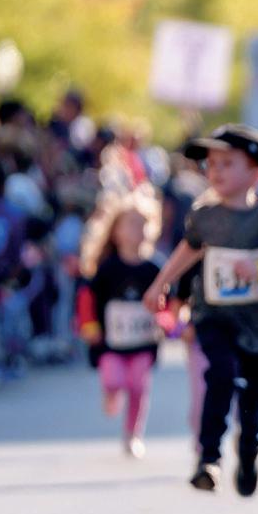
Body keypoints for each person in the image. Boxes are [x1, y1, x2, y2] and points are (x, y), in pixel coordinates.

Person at [144, 124, 258, 494]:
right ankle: (209, 458)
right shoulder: (203, 215)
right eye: (211, 164)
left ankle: (248, 453)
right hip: (214, 316)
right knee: (220, 375)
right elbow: (190, 249)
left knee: (252, 398)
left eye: (227, 163)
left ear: (256, 173)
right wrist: (161, 283)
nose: (215, 171)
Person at [77, 191, 166, 457]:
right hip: (111, 342)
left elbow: (166, 302)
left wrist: (167, 321)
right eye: (130, 224)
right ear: (115, 231)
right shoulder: (107, 268)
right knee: (114, 379)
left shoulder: (154, 268)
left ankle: (133, 434)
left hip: (143, 342)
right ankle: (111, 393)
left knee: (139, 387)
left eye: (143, 224)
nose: (137, 230)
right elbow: (88, 297)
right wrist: (88, 325)